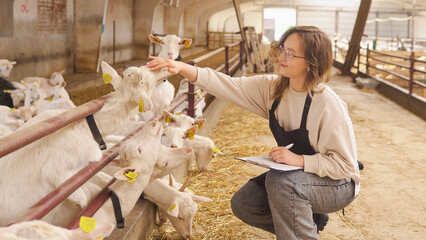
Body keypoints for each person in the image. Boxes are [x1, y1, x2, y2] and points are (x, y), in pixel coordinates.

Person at [147, 26, 361, 240]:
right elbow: (226, 85)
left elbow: (345, 166)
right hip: (303, 178)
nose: (281, 57)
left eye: (290, 53)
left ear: (311, 62)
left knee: (281, 183)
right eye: (282, 49)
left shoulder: (326, 103)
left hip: (337, 184)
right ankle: (308, 220)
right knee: (244, 203)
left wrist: (299, 160)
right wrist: (182, 67)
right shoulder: (273, 88)